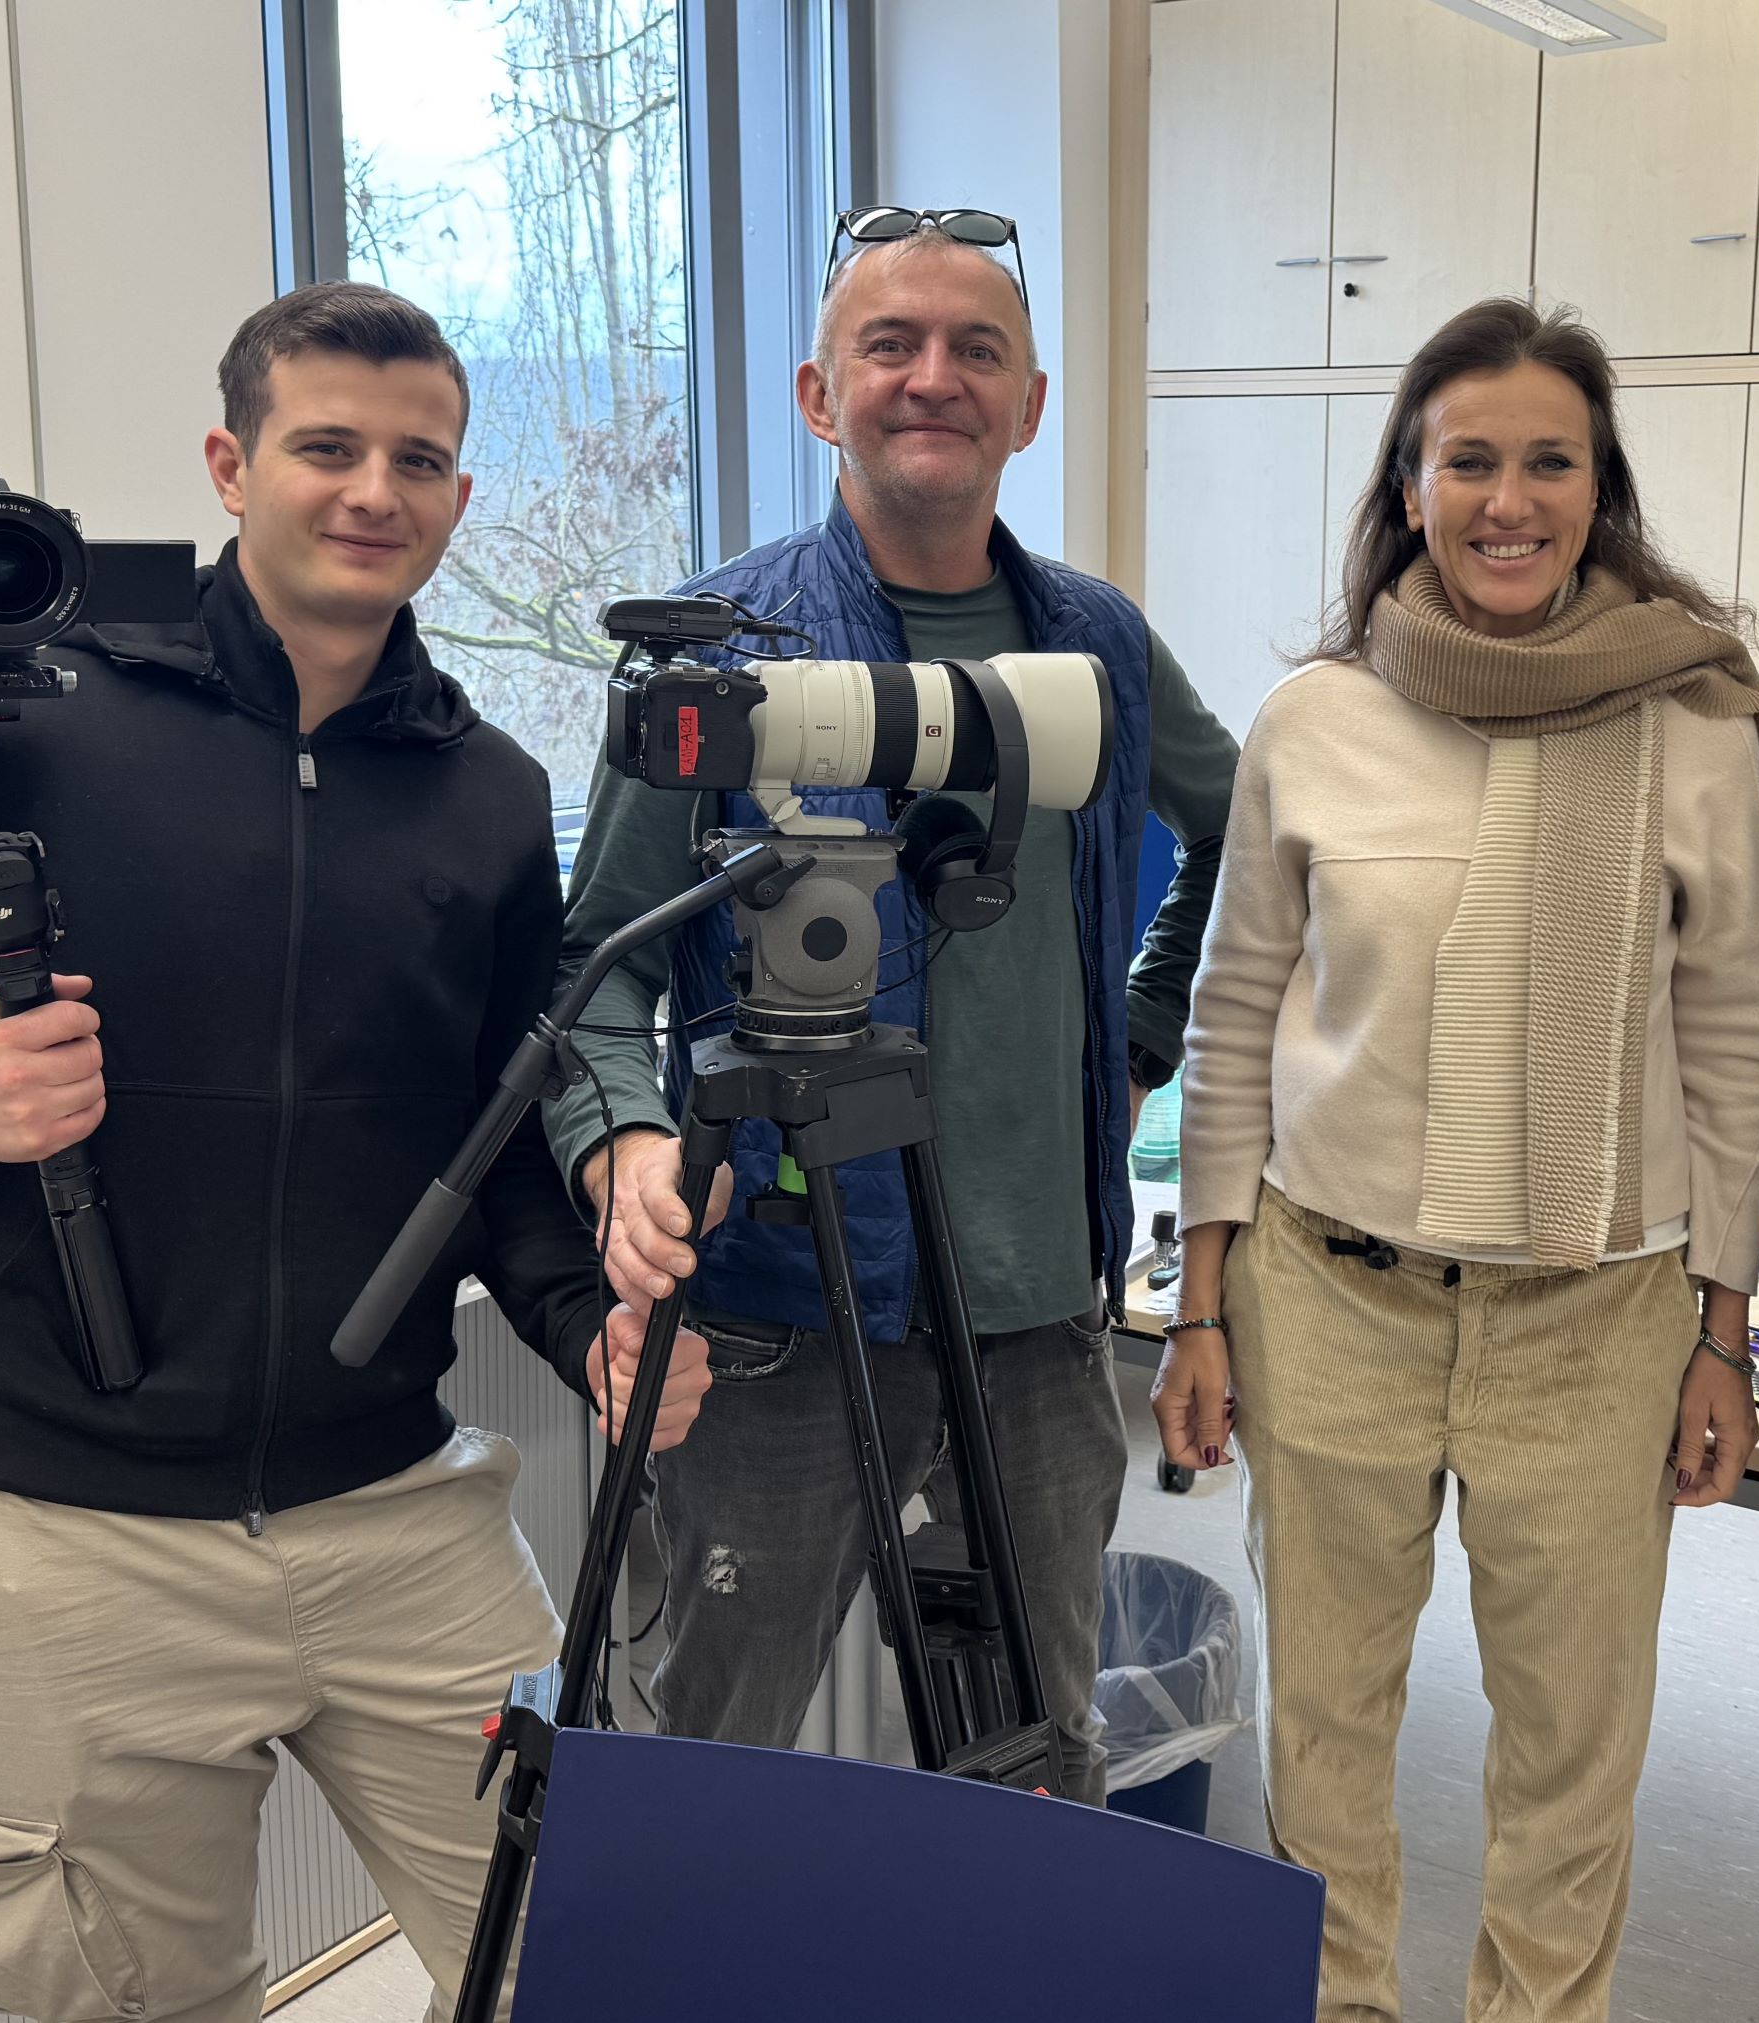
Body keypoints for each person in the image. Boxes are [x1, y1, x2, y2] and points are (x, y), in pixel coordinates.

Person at [0, 281, 709, 2023]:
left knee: (593, 1959)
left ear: (457, 497)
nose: (375, 490)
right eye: (328, 447)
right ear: (232, 464)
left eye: (420, 459)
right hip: (70, 1532)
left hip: (396, 1510)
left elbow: (502, 1139)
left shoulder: (492, 797)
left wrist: (582, 1320)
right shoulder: (22, 725)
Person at [546, 206, 1240, 1804]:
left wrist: (1139, 1037)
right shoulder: (719, 658)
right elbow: (599, 968)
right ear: (816, 392)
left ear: (1031, 402)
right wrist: (629, 1150)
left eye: (975, 349)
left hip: (1041, 1329)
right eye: (891, 345)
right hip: (782, 1316)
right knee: (715, 1767)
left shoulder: (1101, 646)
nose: (934, 379)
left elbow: (1247, 831)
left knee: (1036, 1764)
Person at [1156, 296, 1759, 2023]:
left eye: (1549, 462)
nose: (1509, 500)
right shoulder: (1314, 718)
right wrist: (1202, 1306)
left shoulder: (1692, 725)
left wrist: (1724, 1330)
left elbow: (1742, 1041)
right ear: (1410, 484)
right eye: (1470, 461)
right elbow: (1234, 1017)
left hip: (1596, 1318)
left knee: (1571, 1769)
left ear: (1601, 487)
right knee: (1328, 1746)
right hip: (1329, 1299)